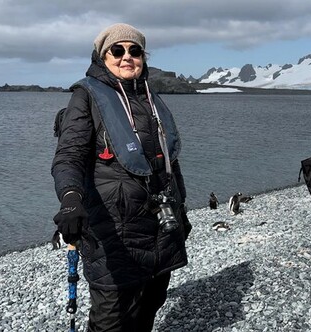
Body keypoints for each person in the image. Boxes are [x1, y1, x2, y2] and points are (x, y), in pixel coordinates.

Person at [51, 23, 191, 331]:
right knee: (112, 317)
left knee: (151, 301)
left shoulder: (151, 99)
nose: (126, 56)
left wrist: (182, 211)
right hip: (113, 229)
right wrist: (71, 200)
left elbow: (170, 160)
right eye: (117, 50)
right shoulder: (86, 97)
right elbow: (68, 156)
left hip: (159, 224)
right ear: (103, 57)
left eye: (135, 50)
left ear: (143, 57)